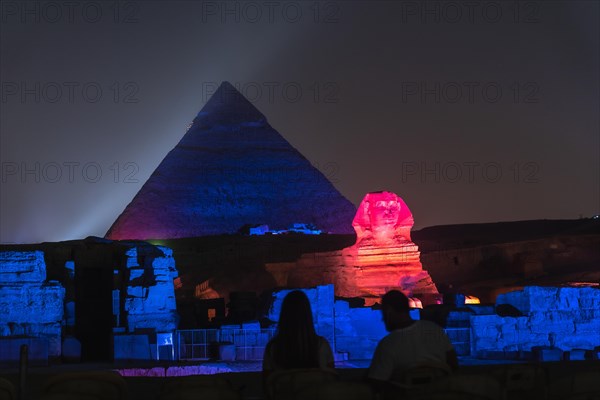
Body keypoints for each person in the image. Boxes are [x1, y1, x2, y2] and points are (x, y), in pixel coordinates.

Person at [368, 290, 458, 384]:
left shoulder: (387, 344)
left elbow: (377, 380)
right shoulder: (436, 330)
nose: (382, 319)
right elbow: (453, 365)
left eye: (383, 314)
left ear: (388, 311)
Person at [262, 290, 334, 377]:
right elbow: (332, 378)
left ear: (283, 314)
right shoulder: (322, 345)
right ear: (308, 313)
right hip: (315, 389)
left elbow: (267, 383)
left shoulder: (272, 348)